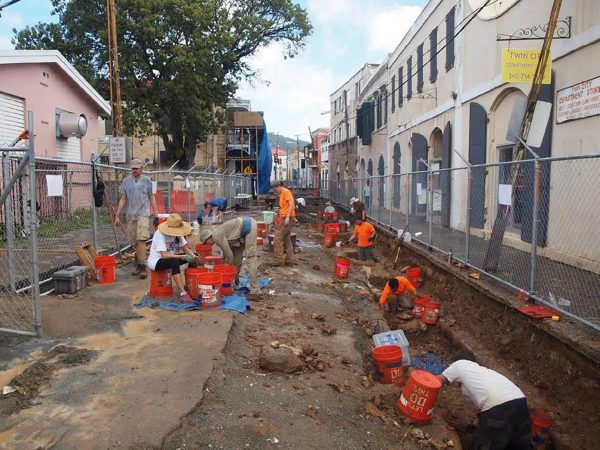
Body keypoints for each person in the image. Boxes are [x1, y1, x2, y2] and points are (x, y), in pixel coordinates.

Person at [436, 350, 532, 450]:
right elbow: (489, 399)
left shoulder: (459, 364)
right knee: (517, 444)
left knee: (485, 445)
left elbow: (436, 380)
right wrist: (481, 421)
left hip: (500, 408)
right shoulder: (484, 373)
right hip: (520, 403)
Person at [115, 158, 158, 279]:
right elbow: (123, 198)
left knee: (141, 239)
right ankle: (139, 264)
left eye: (136, 168)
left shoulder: (147, 181)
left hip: (143, 214)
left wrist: (156, 214)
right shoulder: (126, 182)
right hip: (131, 214)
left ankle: (143, 266)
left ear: (141, 169)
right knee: (133, 241)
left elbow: (152, 198)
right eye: (133, 168)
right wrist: (117, 216)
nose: (134, 171)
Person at [198, 216, 259, 294]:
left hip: (248, 225)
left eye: (206, 243)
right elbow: (227, 254)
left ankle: (255, 289)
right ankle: (234, 280)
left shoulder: (216, 236)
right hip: (240, 233)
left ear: (208, 238)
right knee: (236, 259)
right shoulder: (217, 235)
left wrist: (226, 271)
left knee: (250, 258)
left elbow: (229, 255)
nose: (208, 245)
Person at [147, 213, 198, 303]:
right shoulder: (159, 234)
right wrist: (182, 256)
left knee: (192, 257)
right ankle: (183, 293)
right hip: (156, 261)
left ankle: (189, 284)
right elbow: (164, 255)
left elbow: (185, 248)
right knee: (174, 261)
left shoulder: (178, 233)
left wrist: (194, 257)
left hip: (169, 259)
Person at [271, 180, 295, 266]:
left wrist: (287, 217)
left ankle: (278, 261)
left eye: (275, 188)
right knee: (286, 240)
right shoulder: (282, 194)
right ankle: (289, 261)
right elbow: (284, 207)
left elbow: (291, 204)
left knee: (277, 239)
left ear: (278, 186)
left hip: (287, 218)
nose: (275, 190)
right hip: (285, 217)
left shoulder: (286, 192)